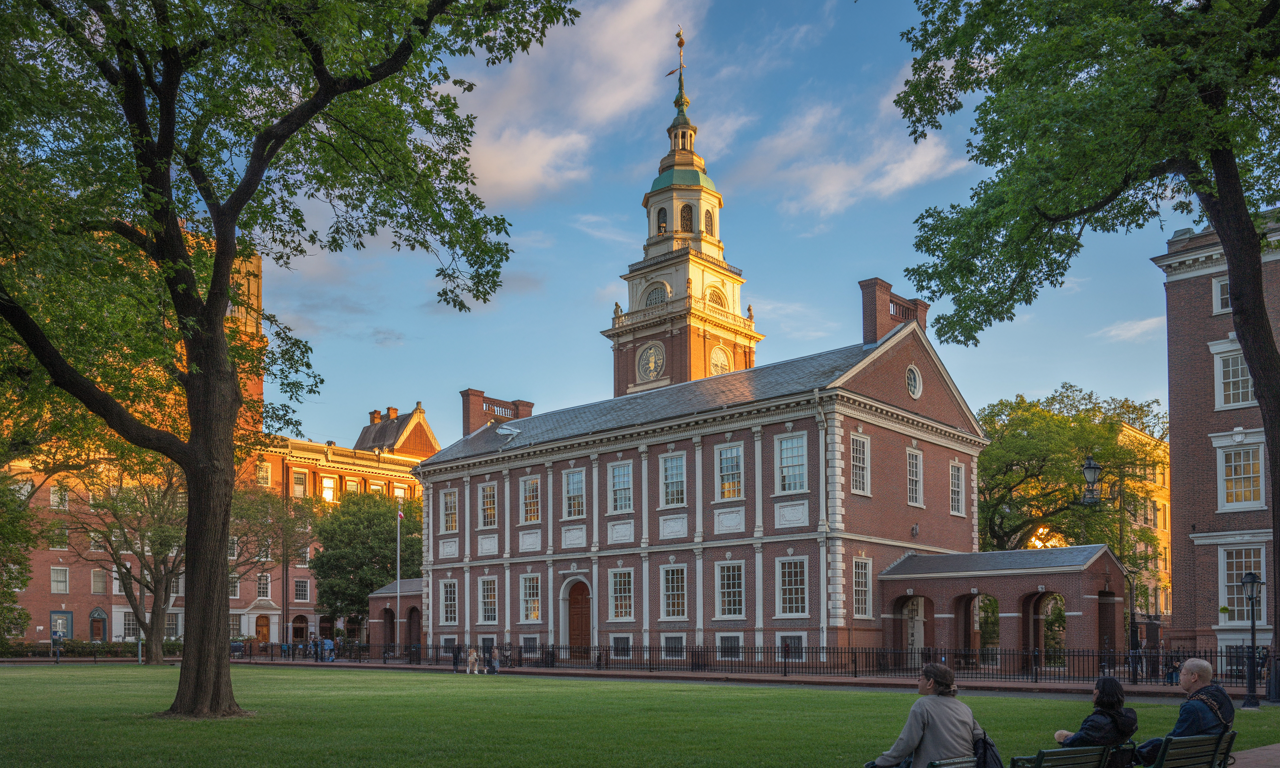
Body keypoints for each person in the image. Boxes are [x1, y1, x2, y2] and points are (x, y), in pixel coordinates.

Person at [866, 664, 985, 768]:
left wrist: (881, 762)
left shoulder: (922, 705)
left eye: (921, 677)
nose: (918, 680)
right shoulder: (964, 708)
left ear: (930, 683)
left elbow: (906, 743)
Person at [1137, 658, 1234, 766]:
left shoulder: (1193, 708)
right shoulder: (1222, 699)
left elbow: (1173, 743)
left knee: (1148, 749)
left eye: (1182, 673)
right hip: (1208, 758)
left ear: (1194, 677)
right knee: (1153, 744)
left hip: (1191, 761)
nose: (1180, 677)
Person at [1054, 677, 1138, 768]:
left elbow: (1074, 743)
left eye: (1095, 688)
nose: (1093, 691)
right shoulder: (1127, 720)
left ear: (1098, 692)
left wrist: (1065, 737)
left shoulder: (1098, 723)